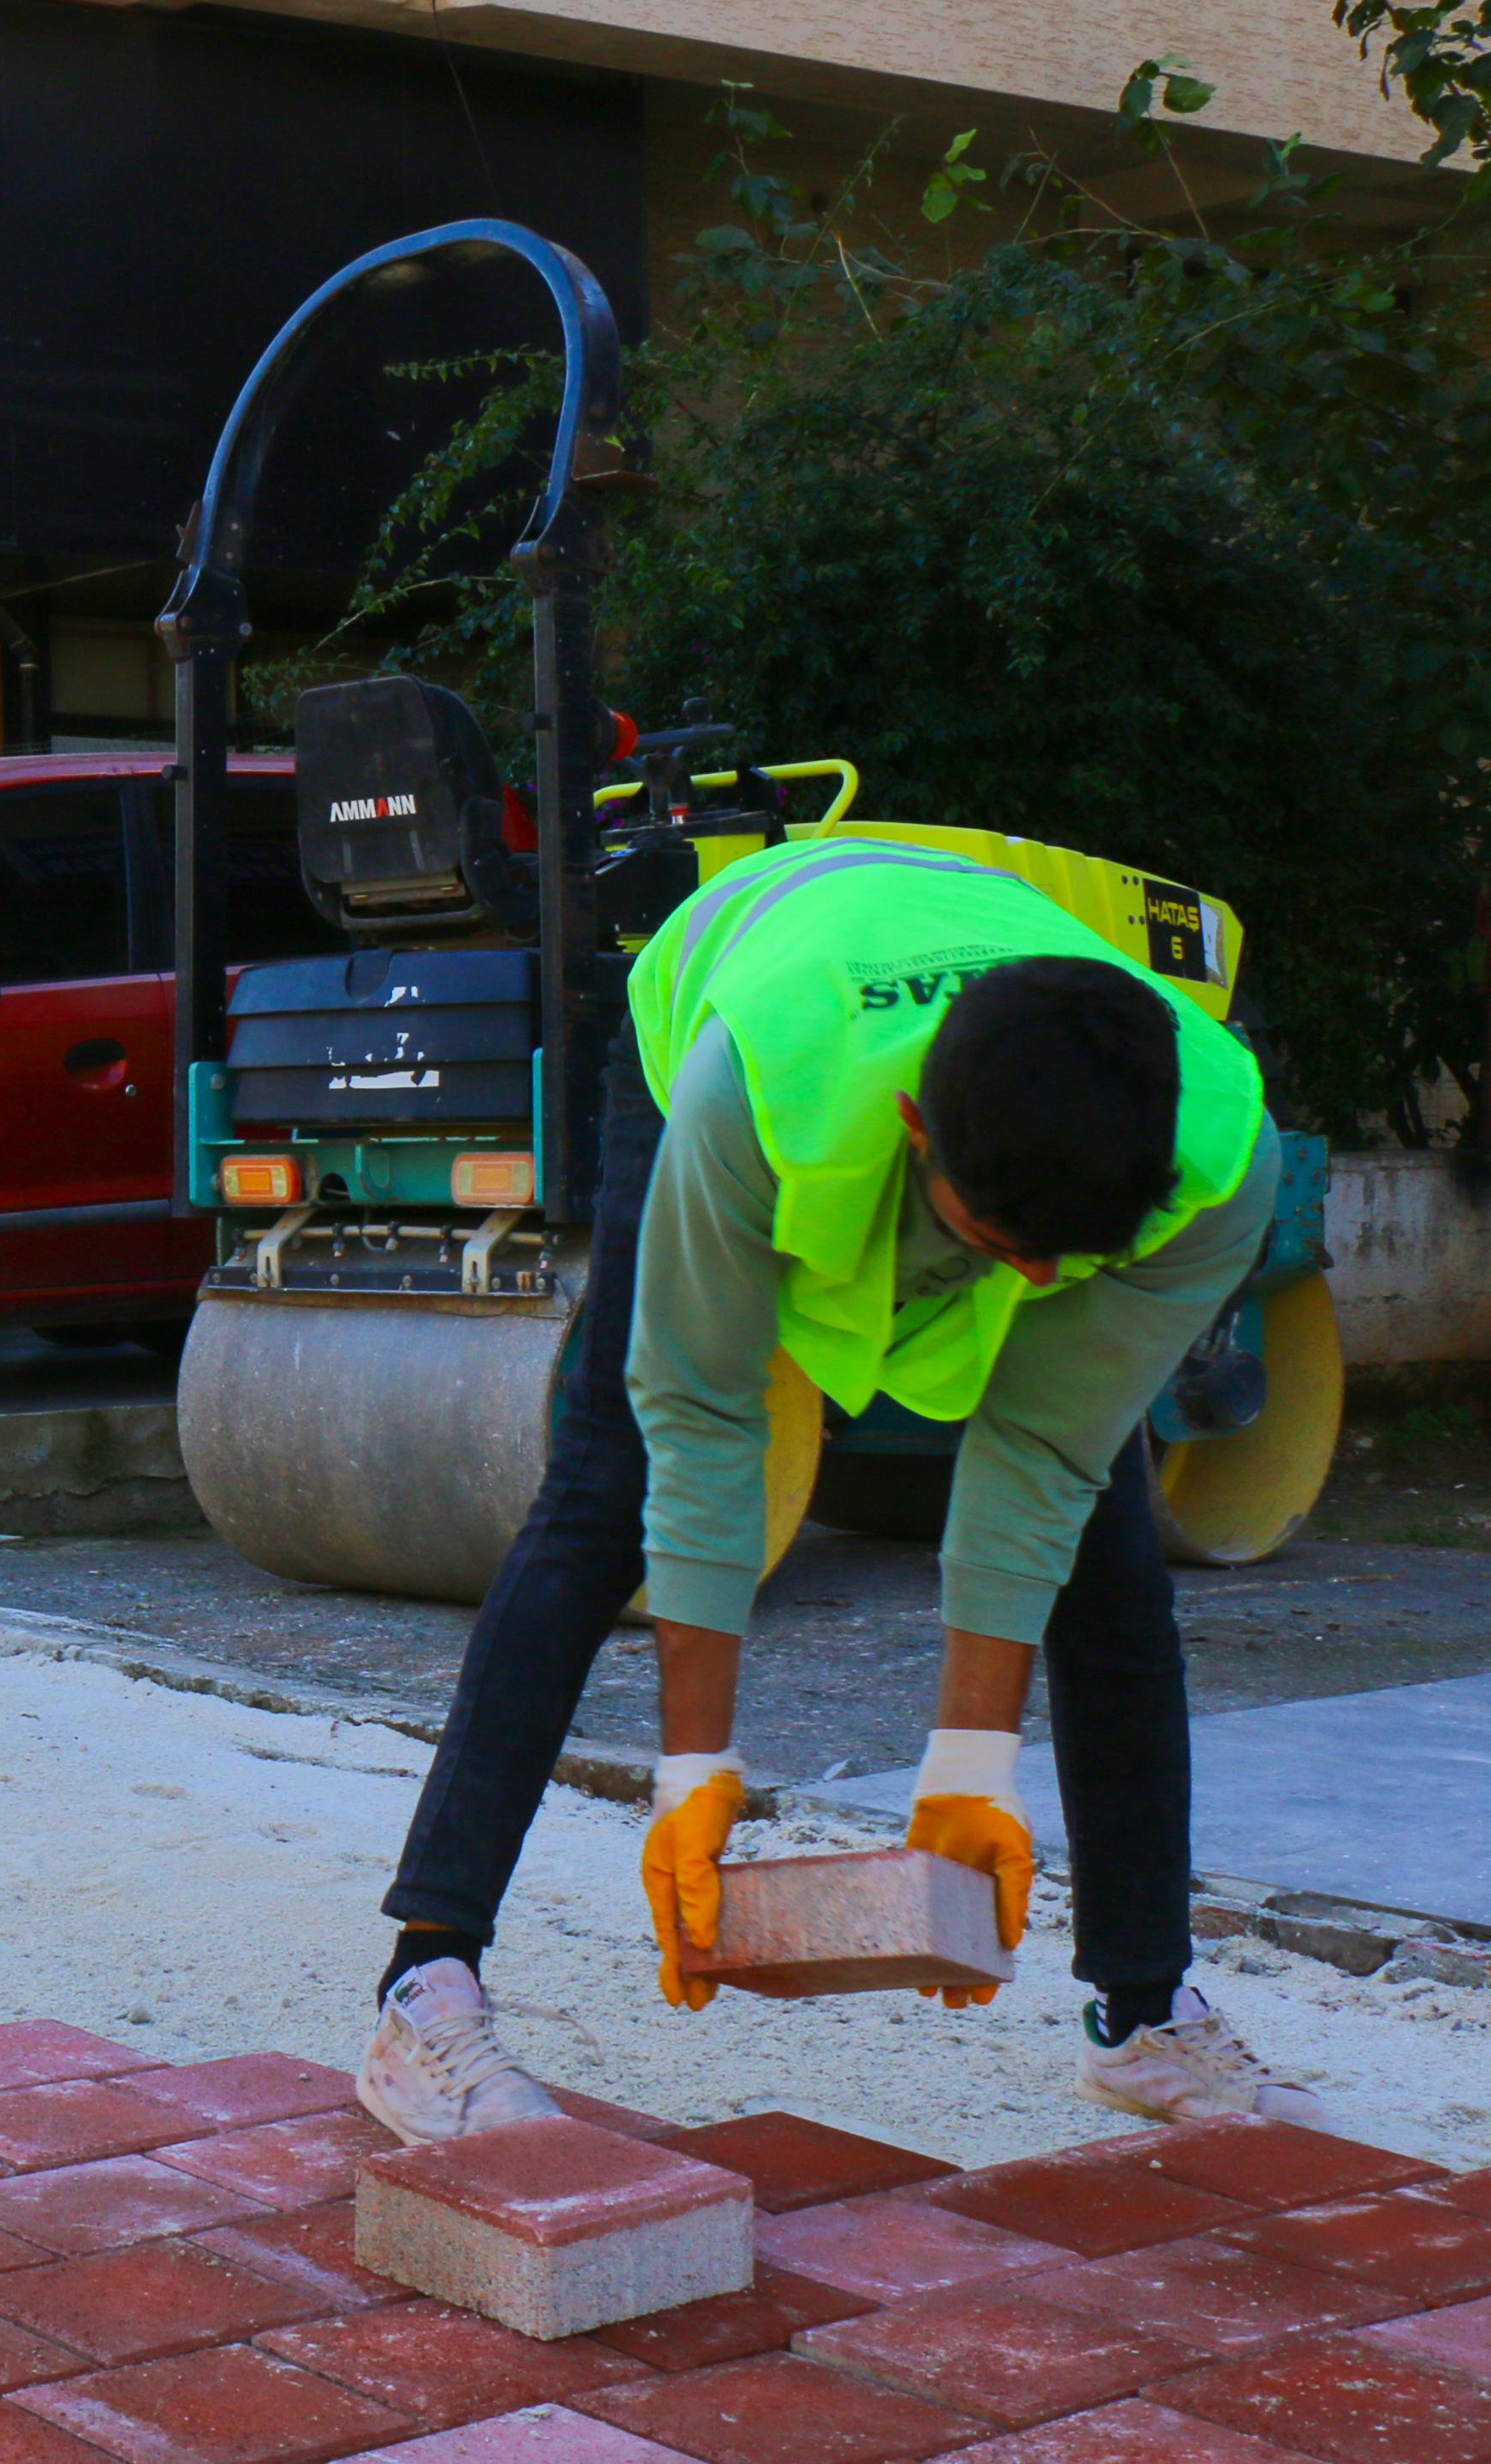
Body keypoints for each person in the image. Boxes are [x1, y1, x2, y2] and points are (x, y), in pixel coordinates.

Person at [357, 835, 1308, 2142]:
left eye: (1062, 1263)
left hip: (948, 977)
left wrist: (971, 1766)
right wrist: (698, 1766)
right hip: (740, 977)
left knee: (1105, 1540)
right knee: (603, 1487)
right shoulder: (753, 1093)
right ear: (919, 1134)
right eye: (995, 1244)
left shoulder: (1216, 1159)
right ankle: (426, 1981)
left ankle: (1142, 2014)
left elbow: (1040, 1455)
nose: (1026, 1290)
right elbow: (700, 1414)